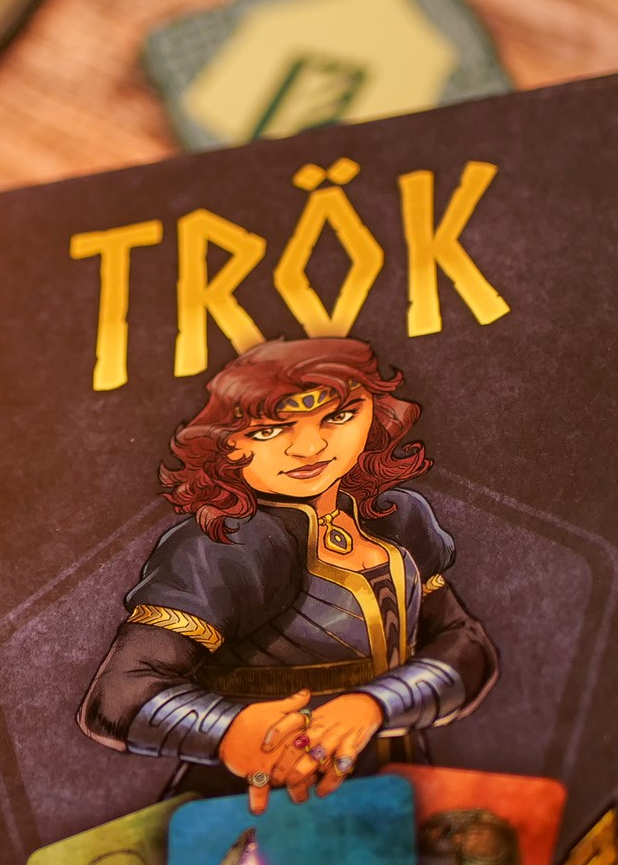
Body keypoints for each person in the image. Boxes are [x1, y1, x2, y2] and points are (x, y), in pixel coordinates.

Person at [78, 337, 497, 812]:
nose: (310, 447)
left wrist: (374, 703)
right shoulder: (222, 543)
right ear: (223, 441)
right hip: (253, 803)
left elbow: (464, 645)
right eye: (268, 430)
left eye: (339, 416)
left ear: (375, 413)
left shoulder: (398, 516)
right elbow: (118, 696)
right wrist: (229, 731)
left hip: (392, 787)